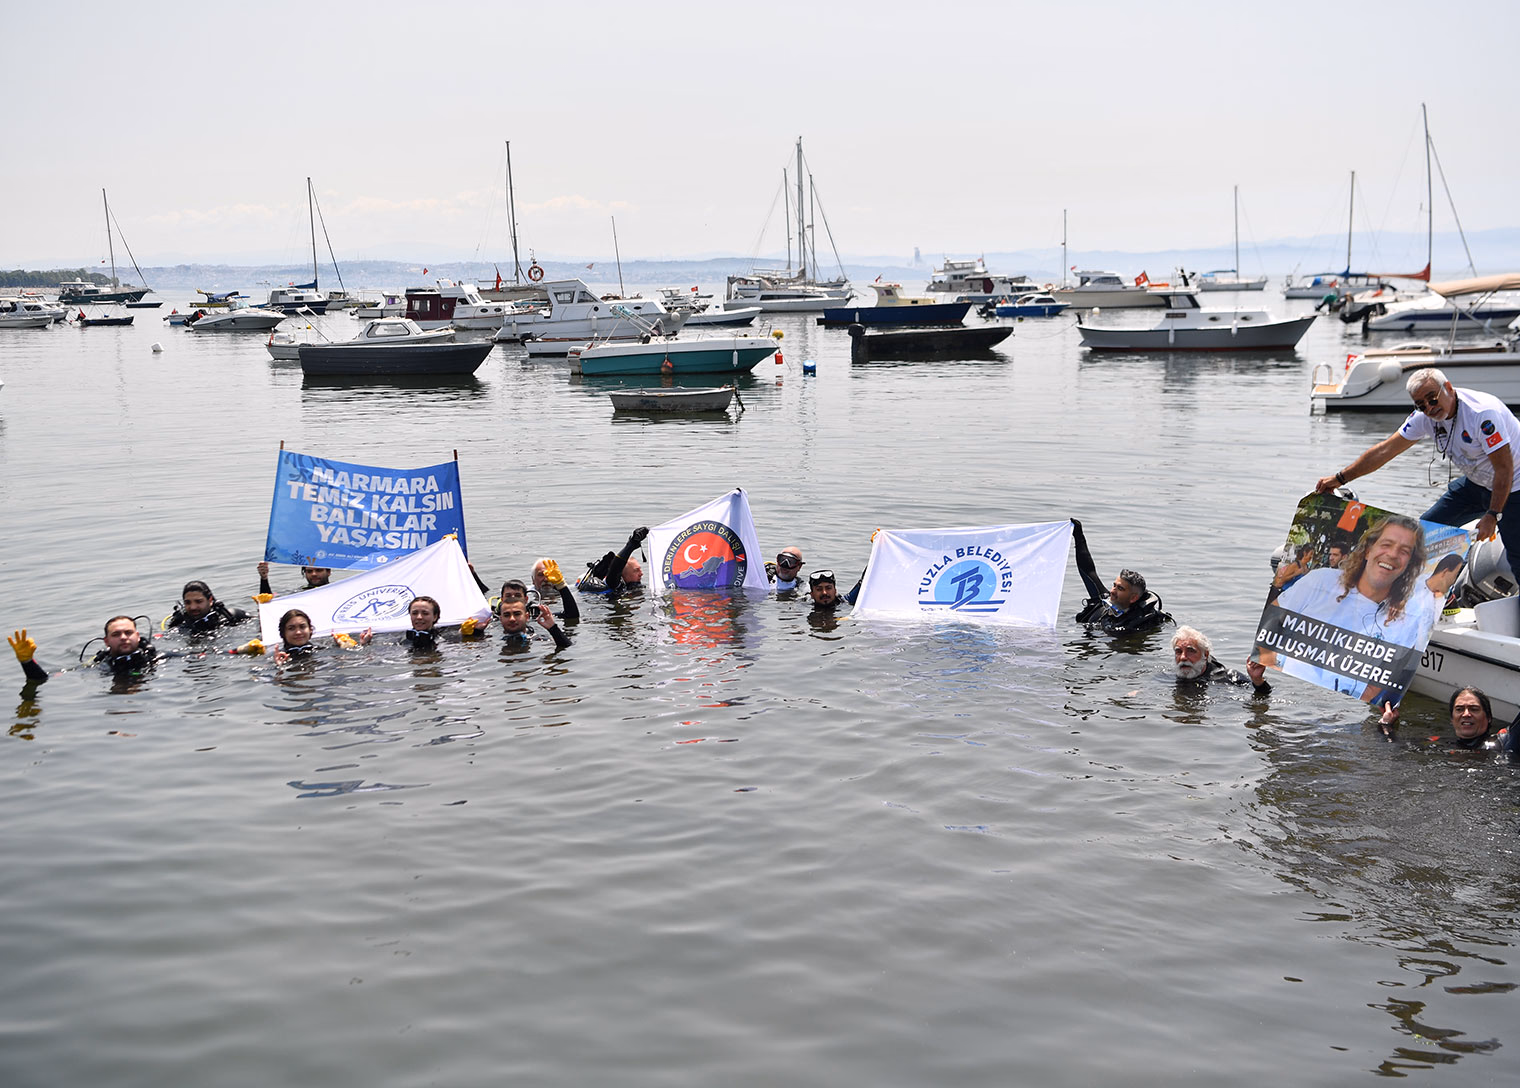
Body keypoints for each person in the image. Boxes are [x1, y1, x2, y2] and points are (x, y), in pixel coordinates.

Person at [1315, 367, 1520, 563]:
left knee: (1517, 556)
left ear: (1448, 388)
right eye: (1421, 405)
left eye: (1432, 398)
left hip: (1514, 486)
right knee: (1423, 531)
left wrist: (1493, 515)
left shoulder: (1482, 414)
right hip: (1478, 482)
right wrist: (1339, 478)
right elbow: (1384, 451)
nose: (1429, 408)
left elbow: (1504, 469)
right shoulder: (1423, 418)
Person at [1267, 515, 1429, 698]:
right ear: (1368, 550)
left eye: (1404, 551)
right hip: (1287, 698)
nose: (1392, 554)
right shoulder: (1321, 581)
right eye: (1386, 544)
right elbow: (1272, 619)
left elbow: (1384, 677)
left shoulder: (1408, 618)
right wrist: (1271, 668)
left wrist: (1349, 707)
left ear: (1410, 564)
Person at [1071, 519, 1170, 634]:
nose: (1112, 591)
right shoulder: (1104, 600)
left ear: (1133, 598)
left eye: (1120, 588)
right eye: (1114, 586)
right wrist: (1078, 535)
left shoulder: (1140, 622)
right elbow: (1088, 571)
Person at [9, 617, 161, 686]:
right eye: (116, 634)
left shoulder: (160, 660)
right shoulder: (99, 668)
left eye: (128, 632)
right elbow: (43, 680)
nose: (123, 637)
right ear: (106, 641)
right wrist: (27, 662)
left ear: (137, 636)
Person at [1379, 686, 1518, 751]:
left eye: (1474, 709)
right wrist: (1386, 724)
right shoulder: (1438, 743)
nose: (1466, 714)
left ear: (1488, 718)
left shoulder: (1504, 742)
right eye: (1459, 709)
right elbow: (1396, 747)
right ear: (1452, 719)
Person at [1172, 626, 1271, 695]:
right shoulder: (1169, 677)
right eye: (1178, 651)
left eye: (1190, 651)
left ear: (1205, 655)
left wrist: (1257, 680)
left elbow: (1263, 696)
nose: (1183, 657)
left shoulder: (1230, 678)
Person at [578, 527, 648, 600]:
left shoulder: (631, 586)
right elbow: (616, 569)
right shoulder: (613, 582)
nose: (641, 573)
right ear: (624, 574)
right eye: (636, 570)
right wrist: (632, 544)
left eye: (640, 569)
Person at [165, 580, 249, 634]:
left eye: (198, 601)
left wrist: (263, 580)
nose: (193, 607)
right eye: (188, 602)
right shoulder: (180, 626)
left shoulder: (231, 617)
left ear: (210, 600)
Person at [496, 598, 570, 651]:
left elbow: (567, 649)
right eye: (506, 615)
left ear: (527, 617)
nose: (512, 619)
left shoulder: (539, 640)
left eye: (517, 614)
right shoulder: (495, 642)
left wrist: (553, 628)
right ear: (501, 619)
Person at [255, 562, 333, 601]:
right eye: (309, 571)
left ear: (328, 572)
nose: (314, 574)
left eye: (318, 570)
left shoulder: (337, 591)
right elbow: (268, 602)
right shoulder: (298, 593)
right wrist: (264, 578)